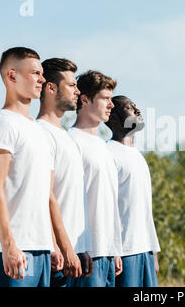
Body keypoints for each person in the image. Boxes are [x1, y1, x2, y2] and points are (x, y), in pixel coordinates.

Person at [0, 47, 54, 287]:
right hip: (10, 251)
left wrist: (51, 245)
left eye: (42, 73)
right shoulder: (2, 126)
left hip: (41, 250)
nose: (42, 79)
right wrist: (9, 245)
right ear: (12, 76)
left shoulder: (40, 132)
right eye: (35, 73)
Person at [36, 58, 93, 287]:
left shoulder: (66, 137)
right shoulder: (41, 133)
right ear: (50, 88)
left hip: (75, 255)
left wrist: (83, 248)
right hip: (58, 259)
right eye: (71, 86)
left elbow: (73, 198)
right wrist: (60, 247)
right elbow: (45, 195)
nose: (78, 92)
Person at [68, 70, 123, 287]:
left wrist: (115, 250)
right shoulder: (71, 141)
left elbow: (110, 202)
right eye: (105, 99)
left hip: (107, 254)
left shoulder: (104, 146)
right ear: (85, 99)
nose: (111, 105)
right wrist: (78, 250)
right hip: (86, 256)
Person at [105, 95, 161, 287]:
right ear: (113, 118)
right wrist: (112, 250)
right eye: (130, 108)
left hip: (144, 250)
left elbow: (145, 210)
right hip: (124, 253)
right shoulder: (108, 153)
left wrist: (153, 251)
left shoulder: (137, 155)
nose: (137, 111)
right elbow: (106, 207)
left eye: (136, 106)